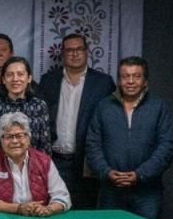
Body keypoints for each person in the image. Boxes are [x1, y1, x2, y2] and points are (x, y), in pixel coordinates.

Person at [86, 56, 173, 219]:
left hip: (147, 192)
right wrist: (107, 172)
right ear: (119, 81)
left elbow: (167, 146)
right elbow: (93, 145)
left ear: (145, 81)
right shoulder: (104, 107)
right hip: (111, 190)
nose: (130, 81)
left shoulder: (159, 107)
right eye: (125, 76)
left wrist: (140, 174)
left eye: (136, 76)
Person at [38, 33, 116, 209]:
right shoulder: (49, 80)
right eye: (69, 50)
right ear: (62, 54)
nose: (74, 54)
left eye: (79, 49)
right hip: (55, 160)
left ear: (87, 52)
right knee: (53, 211)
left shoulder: (103, 83)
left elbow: (110, 123)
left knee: (84, 213)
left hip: (86, 163)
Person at [0, 112, 70, 217]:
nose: (14, 141)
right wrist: (18, 208)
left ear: (28, 138)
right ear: (1, 140)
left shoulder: (44, 161)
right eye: (8, 136)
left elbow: (62, 196)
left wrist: (48, 209)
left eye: (19, 135)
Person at [0, 56, 51, 160]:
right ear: (3, 79)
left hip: (33, 167)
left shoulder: (39, 106)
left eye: (20, 74)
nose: (15, 79)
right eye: (10, 75)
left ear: (29, 78)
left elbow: (45, 148)